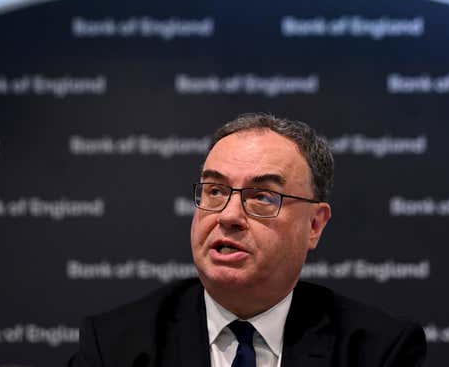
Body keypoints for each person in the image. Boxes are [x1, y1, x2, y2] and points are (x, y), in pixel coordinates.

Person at [68, 113, 427, 366]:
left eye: (262, 198)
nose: (228, 216)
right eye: (214, 191)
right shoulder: (116, 345)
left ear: (314, 225)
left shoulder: (376, 351)